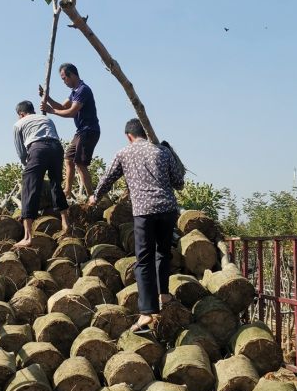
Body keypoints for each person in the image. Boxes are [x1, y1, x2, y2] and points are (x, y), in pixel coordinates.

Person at [89, 118, 185, 333]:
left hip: (144, 211)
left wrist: (95, 196)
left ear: (129, 136)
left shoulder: (124, 153)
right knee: (163, 253)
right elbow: (179, 182)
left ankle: (146, 314)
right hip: (167, 209)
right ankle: (164, 295)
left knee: (143, 260)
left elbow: (108, 178)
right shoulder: (162, 151)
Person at [13, 100, 70, 246]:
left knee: (29, 187)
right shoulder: (46, 118)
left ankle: (27, 236)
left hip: (37, 148)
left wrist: (27, 164)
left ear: (21, 114)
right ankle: (66, 222)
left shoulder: (19, 124)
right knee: (56, 183)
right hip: (57, 148)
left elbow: (21, 152)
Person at [39, 63, 100, 199]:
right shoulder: (74, 92)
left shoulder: (83, 90)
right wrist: (47, 97)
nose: (63, 82)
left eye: (64, 78)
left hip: (89, 130)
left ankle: (91, 197)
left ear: (71, 75)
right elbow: (62, 106)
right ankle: (67, 191)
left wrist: (51, 111)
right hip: (81, 131)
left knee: (80, 163)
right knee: (68, 159)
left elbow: (72, 112)